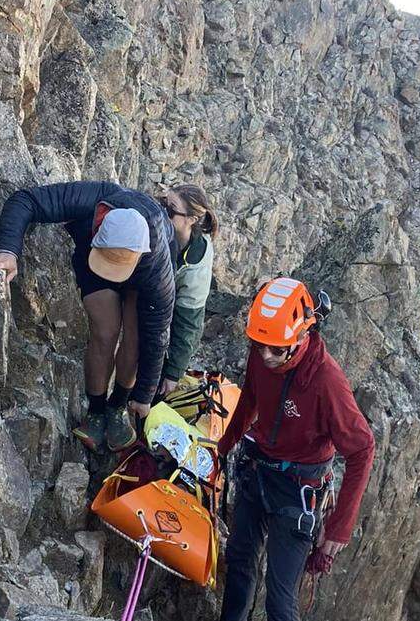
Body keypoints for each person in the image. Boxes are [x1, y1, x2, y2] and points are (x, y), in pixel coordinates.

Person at [217, 277, 376, 621]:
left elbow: (362, 450)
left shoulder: (326, 381)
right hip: (258, 470)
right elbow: (251, 398)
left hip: (297, 491)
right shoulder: (265, 347)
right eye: (258, 345)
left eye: (275, 348)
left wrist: (338, 528)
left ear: (302, 336)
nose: (265, 355)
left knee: (279, 600)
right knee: (239, 563)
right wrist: (223, 446)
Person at [0, 181, 176, 452]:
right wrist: (8, 251)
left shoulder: (158, 269)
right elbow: (25, 200)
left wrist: (143, 396)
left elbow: (157, 334)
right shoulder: (92, 199)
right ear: (100, 222)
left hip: (139, 273)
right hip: (93, 256)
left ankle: (117, 407)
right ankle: (96, 411)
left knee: (135, 336)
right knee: (105, 332)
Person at [155, 184, 219, 398]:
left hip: (170, 314)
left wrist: (173, 373)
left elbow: (188, 322)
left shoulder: (197, 263)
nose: (164, 212)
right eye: (164, 204)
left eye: (171, 211)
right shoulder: (159, 226)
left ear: (191, 220)